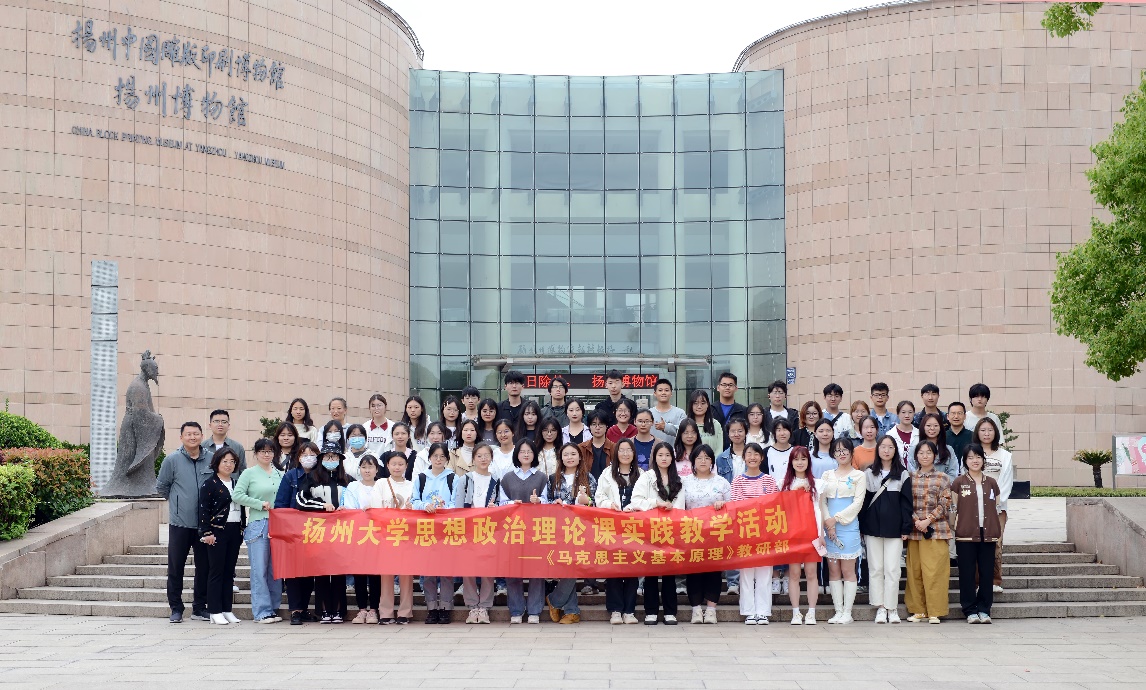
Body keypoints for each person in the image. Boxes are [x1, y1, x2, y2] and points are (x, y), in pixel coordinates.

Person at [156, 422, 211, 624]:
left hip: (205, 524)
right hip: (180, 523)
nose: (192, 437)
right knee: (176, 567)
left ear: (202, 436)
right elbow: (162, 486)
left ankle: (200, 607)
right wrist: (178, 504)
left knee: (204, 568)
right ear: (181, 437)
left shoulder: (212, 459)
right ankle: (176, 608)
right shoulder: (172, 460)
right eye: (188, 434)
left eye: (196, 433)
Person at [859, 435, 912, 624]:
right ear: (878, 449)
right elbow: (863, 502)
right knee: (875, 568)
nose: (886, 450)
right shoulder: (869, 473)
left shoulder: (903, 474)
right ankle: (880, 607)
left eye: (890, 447)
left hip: (895, 529)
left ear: (895, 450)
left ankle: (892, 607)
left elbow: (907, 504)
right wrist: (861, 526)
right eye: (883, 447)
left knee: (892, 569)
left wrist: (906, 527)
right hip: (872, 528)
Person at [629, 441, 684, 625]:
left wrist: (673, 511)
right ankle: (651, 611)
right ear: (654, 457)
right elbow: (636, 500)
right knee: (651, 572)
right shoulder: (647, 477)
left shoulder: (678, 479)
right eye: (660, 455)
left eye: (667, 455)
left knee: (669, 573)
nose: (664, 458)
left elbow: (681, 505)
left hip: (671, 530)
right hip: (650, 530)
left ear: (672, 458)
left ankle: (670, 612)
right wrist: (656, 504)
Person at [295, 442, 349, 623]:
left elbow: (356, 501)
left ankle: (339, 611)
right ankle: (324, 610)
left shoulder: (347, 480)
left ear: (340, 459)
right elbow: (300, 501)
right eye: (327, 456)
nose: (330, 459)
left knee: (339, 572)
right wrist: (322, 506)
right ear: (321, 459)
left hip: (342, 531)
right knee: (322, 571)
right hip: (319, 532)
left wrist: (346, 508)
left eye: (334, 456)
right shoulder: (311, 478)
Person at [232, 438, 284, 624]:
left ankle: (273, 608)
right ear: (256, 453)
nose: (266, 454)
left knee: (275, 570)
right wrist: (258, 504)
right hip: (258, 524)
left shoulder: (280, 473)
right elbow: (237, 495)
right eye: (262, 451)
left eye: (270, 451)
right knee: (259, 569)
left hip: (279, 525)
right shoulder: (249, 473)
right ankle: (261, 612)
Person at [544, 443, 596, 625]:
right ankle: (572, 611)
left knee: (575, 566)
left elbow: (596, 504)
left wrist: (587, 500)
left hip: (581, 530)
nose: (570, 457)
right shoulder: (553, 478)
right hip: (560, 530)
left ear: (580, 457)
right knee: (568, 566)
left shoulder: (588, 478)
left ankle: (555, 599)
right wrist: (554, 503)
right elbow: (546, 502)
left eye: (573, 454)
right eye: (565, 454)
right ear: (561, 458)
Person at [818, 437, 867, 624]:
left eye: (845, 450)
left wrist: (836, 519)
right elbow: (822, 501)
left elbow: (857, 503)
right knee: (833, 570)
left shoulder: (858, 476)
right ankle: (838, 611)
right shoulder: (827, 475)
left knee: (848, 570)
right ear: (833, 453)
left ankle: (848, 612)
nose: (842, 453)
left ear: (851, 452)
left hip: (848, 528)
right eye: (838, 450)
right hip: (829, 528)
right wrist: (828, 523)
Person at [952, 444, 1003, 624]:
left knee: (986, 573)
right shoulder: (958, 482)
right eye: (971, 457)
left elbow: (997, 506)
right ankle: (970, 610)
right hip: (965, 534)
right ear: (965, 461)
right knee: (967, 573)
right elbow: (953, 508)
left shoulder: (991, 482)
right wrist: (955, 527)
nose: (975, 460)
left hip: (987, 534)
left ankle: (984, 609)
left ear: (983, 459)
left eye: (978, 457)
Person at [499, 439, 548, 624]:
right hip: (514, 530)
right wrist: (513, 503)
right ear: (516, 455)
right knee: (513, 570)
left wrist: (539, 501)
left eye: (529, 451)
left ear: (534, 454)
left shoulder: (542, 477)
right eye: (522, 451)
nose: (526, 454)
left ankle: (534, 610)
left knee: (536, 571)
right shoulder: (507, 478)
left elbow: (549, 501)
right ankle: (516, 610)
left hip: (537, 530)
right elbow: (501, 503)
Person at [680, 444, 730, 624]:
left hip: (715, 534)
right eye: (699, 457)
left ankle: (711, 610)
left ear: (712, 461)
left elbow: (732, 507)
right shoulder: (684, 482)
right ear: (693, 461)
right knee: (693, 571)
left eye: (707, 458)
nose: (703, 461)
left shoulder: (721, 482)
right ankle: (696, 610)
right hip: (691, 533)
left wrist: (722, 505)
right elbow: (679, 506)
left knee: (714, 572)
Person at [731, 442, 780, 625]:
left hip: (765, 533)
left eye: (756, 454)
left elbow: (773, 505)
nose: (752, 457)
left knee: (765, 573)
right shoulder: (737, 481)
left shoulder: (769, 480)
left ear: (762, 457)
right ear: (744, 457)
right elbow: (737, 507)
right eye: (749, 454)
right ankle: (749, 612)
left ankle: (763, 612)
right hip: (745, 532)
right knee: (746, 574)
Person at [595, 438, 643, 624]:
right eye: (621, 450)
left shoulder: (642, 474)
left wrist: (635, 507)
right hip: (612, 528)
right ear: (615, 453)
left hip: (634, 529)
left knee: (632, 568)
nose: (625, 454)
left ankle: (629, 611)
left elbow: (647, 498)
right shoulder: (607, 473)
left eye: (628, 450)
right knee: (614, 568)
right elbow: (599, 497)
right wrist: (609, 504)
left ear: (634, 453)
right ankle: (615, 610)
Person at [905, 440, 952, 623]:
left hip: (936, 531)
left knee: (935, 572)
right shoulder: (909, 477)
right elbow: (905, 502)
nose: (925, 456)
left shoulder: (942, 478)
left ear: (935, 456)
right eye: (921, 453)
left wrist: (928, 520)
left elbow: (945, 503)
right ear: (916, 456)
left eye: (929, 453)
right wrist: (917, 521)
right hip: (915, 531)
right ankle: (918, 610)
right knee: (914, 572)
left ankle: (935, 611)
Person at [197, 447, 245, 626]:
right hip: (217, 531)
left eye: (232, 461)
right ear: (217, 462)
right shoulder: (209, 484)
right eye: (225, 461)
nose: (229, 465)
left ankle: (226, 609)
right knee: (216, 572)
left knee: (228, 572)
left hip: (235, 530)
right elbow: (203, 510)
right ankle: (215, 611)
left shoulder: (237, 483)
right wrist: (206, 532)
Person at [273, 441, 320, 624]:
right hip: (293, 531)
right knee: (293, 572)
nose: (308, 458)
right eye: (304, 454)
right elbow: (280, 504)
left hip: (315, 532)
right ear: (298, 457)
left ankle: (304, 608)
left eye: (312, 454)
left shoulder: (321, 475)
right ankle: (295, 610)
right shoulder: (290, 476)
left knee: (309, 572)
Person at [453, 443, 499, 624]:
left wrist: (495, 508)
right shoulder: (465, 479)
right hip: (469, 529)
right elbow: (458, 505)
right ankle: (472, 606)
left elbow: (500, 503)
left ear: (491, 458)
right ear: (473, 459)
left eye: (486, 455)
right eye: (479, 456)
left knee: (488, 568)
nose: (483, 459)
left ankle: (485, 606)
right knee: (469, 568)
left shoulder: (496, 480)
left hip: (488, 529)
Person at [411, 442, 456, 624]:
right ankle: (431, 607)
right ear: (429, 458)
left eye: (442, 456)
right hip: (426, 529)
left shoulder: (453, 478)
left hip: (446, 529)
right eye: (435, 456)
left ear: (447, 459)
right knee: (428, 571)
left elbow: (457, 502)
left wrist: (444, 509)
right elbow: (414, 500)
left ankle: (445, 607)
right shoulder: (421, 478)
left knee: (446, 570)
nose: (438, 459)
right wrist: (424, 505)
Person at [341, 454, 384, 624]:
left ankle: (373, 609)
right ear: (359, 469)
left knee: (375, 574)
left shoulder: (382, 485)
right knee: (359, 573)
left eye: (370, 467)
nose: (367, 470)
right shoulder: (353, 486)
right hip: (358, 535)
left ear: (377, 469)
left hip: (377, 536)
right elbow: (349, 508)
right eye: (364, 467)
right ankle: (361, 610)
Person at [781, 446, 821, 625]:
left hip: (812, 534)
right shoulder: (784, 484)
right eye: (796, 459)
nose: (799, 462)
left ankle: (811, 612)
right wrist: (794, 493)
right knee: (794, 573)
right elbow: (781, 510)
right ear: (791, 462)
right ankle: (796, 612)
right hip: (793, 535)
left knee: (811, 573)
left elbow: (820, 510)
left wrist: (821, 534)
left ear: (808, 462)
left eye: (803, 459)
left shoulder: (817, 484)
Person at [376, 451, 415, 624]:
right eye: (394, 464)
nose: (397, 467)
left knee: (406, 574)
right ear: (387, 466)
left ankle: (405, 612)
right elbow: (376, 507)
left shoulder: (412, 485)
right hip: (386, 534)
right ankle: (386, 612)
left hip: (406, 535)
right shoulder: (381, 483)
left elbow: (417, 506)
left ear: (406, 466)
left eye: (400, 464)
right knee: (386, 574)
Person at [975, 417, 1013, 593]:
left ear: (996, 432)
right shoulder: (971, 453)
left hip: (997, 507)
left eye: (990, 430)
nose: (986, 433)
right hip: (974, 507)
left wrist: (994, 501)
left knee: (996, 543)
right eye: (983, 430)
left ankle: (995, 580)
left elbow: (1006, 482)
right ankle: (978, 582)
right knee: (976, 543)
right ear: (977, 432)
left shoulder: (1005, 455)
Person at [913, 412, 959, 479]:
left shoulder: (949, 450)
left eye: (936, 425)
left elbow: (953, 474)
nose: (932, 428)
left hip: (944, 485)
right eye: (928, 425)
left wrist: (937, 482)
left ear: (940, 427)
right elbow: (912, 474)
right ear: (923, 427)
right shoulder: (914, 449)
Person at [203, 409, 247, 474]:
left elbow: (243, 471)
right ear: (210, 425)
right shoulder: (202, 447)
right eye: (216, 421)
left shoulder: (238, 447)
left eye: (224, 422)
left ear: (228, 425)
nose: (220, 424)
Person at [712, 372, 748, 449]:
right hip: (714, 451)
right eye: (724, 385)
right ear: (718, 388)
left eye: (730, 385)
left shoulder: (743, 411)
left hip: (737, 451)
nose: (727, 387)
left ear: (736, 388)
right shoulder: (710, 410)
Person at [580, 410, 615, 479]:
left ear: (607, 426)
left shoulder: (614, 447)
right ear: (589, 426)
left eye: (601, 424)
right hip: (587, 484)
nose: (597, 427)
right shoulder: (581, 448)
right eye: (594, 424)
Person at [649, 378, 686, 445]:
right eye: (660, 390)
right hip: (653, 450)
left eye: (666, 390)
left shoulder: (680, 413)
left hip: (674, 450)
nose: (663, 393)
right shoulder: (649, 413)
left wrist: (666, 427)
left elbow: (684, 431)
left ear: (671, 393)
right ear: (655, 393)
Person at [763, 418, 795, 486]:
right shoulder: (766, 452)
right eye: (779, 430)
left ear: (790, 432)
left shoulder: (796, 451)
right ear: (774, 433)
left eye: (785, 429)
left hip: (792, 490)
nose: (782, 433)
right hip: (772, 490)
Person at [716, 416, 748, 480]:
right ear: (728, 434)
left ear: (746, 432)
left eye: (740, 431)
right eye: (733, 431)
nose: (736, 434)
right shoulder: (721, 458)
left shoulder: (753, 455)